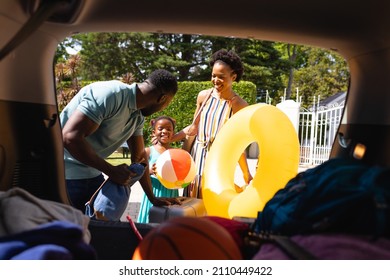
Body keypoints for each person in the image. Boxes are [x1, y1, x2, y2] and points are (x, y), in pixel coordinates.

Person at [60, 69, 180, 212]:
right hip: (65, 176)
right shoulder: (110, 94)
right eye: (167, 104)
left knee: (97, 231)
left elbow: (140, 157)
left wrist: (152, 197)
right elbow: (69, 137)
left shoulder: (137, 117)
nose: (162, 109)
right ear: (162, 99)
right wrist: (111, 170)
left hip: (93, 175)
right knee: (69, 232)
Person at [172, 49, 253, 198]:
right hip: (197, 157)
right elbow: (193, 129)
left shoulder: (239, 105)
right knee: (191, 202)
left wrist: (246, 173)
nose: (216, 80)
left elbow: (238, 143)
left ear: (233, 77)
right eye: (213, 75)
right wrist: (174, 140)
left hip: (219, 161)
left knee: (213, 201)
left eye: (221, 77)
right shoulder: (204, 96)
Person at [137, 116, 179, 223]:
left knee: (169, 223)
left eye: (169, 129)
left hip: (171, 193)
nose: (164, 131)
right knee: (151, 222)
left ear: (173, 133)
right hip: (154, 193)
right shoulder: (148, 152)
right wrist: (149, 171)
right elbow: (137, 172)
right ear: (154, 132)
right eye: (160, 129)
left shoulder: (176, 153)